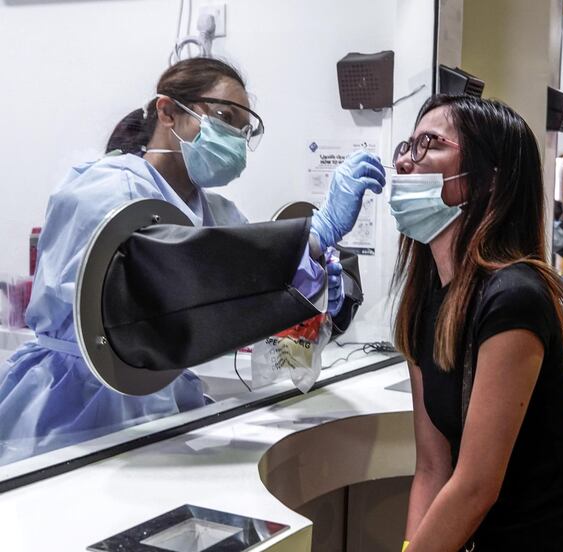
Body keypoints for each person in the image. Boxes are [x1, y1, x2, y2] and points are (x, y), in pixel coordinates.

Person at [0, 57, 385, 466]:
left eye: (243, 128)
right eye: (224, 117)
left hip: (158, 393)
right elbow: (169, 271)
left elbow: (250, 284)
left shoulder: (216, 211)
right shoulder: (105, 187)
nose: (235, 137)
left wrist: (318, 279)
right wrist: (312, 235)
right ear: (167, 111)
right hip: (76, 395)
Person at [390, 95, 563, 551]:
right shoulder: (424, 299)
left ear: (487, 180)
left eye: (429, 144)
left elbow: (475, 486)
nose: (406, 161)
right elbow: (432, 468)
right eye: (407, 145)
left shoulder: (514, 297)